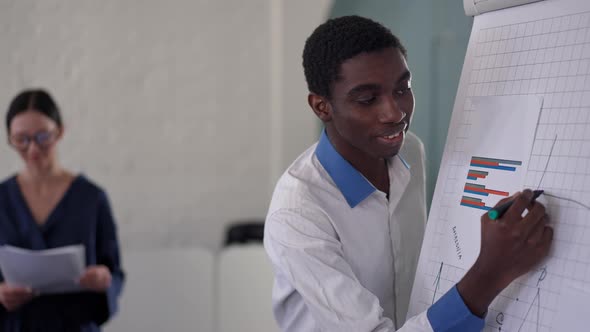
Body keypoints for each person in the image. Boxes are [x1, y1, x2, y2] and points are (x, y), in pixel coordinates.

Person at [263, 15, 552, 331]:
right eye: (367, 99)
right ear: (322, 107)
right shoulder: (297, 213)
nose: (395, 113)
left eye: (403, 89)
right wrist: (489, 273)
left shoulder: (409, 150)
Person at [0, 89, 124, 331]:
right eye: (21, 139)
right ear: (10, 139)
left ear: (60, 132)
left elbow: (114, 273)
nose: (33, 149)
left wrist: (103, 280)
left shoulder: (91, 198)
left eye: (42, 137)